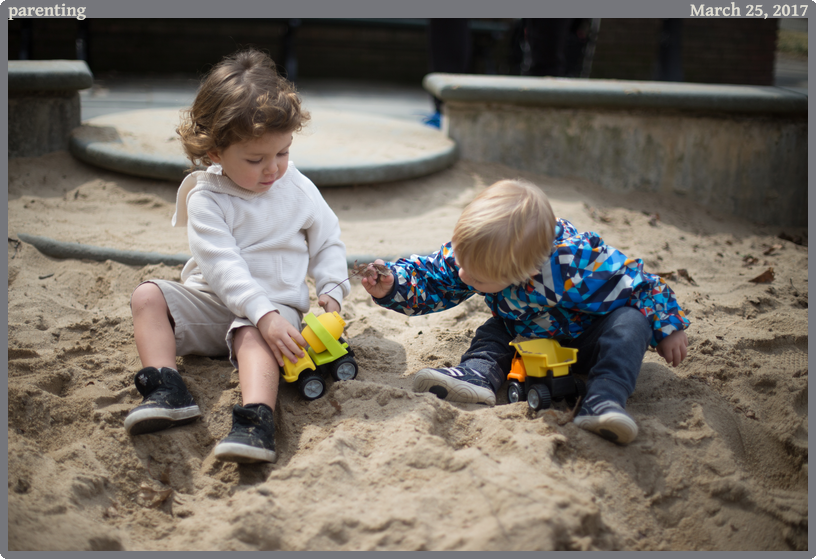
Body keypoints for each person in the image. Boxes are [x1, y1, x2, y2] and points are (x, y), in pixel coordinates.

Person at [124, 49, 350, 463]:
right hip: (214, 303)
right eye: (255, 159)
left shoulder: (296, 186)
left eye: (282, 152)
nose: (274, 169)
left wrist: (333, 289)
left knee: (252, 332)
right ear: (214, 153)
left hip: (277, 314)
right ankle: (167, 388)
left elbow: (327, 239)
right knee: (147, 296)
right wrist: (257, 310)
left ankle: (255, 420)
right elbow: (221, 264)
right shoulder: (206, 198)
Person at [361, 179, 689, 445]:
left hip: (587, 340)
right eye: (460, 262)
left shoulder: (574, 263)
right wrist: (393, 284)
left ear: (523, 272)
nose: (463, 275)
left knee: (631, 323)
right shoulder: (476, 252)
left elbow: (639, 282)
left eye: (476, 277)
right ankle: (478, 373)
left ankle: (604, 399)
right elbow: (434, 278)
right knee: (493, 331)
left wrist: (669, 326)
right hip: (525, 335)